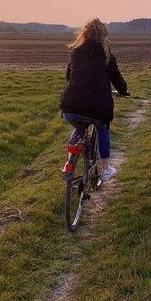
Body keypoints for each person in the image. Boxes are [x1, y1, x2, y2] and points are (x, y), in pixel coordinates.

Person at [60, 18, 129, 181]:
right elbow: (117, 80)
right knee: (103, 129)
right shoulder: (107, 56)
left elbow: (68, 76)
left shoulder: (76, 52)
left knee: (79, 129)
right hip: (98, 108)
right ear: (104, 36)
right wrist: (123, 92)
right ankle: (105, 170)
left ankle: (68, 164)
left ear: (85, 33)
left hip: (71, 106)